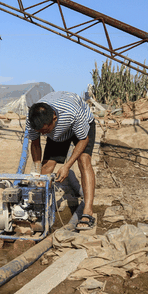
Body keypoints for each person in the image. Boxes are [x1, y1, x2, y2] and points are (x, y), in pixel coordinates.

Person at [26, 91, 96, 230]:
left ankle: (88, 211)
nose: (43, 134)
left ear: (54, 118)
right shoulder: (33, 119)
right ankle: (39, 211)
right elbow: (35, 143)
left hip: (82, 128)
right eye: (41, 132)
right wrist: (37, 171)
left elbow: (83, 139)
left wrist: (67, 166)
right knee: (45, 168)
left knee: (84, 161)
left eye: (45, 131)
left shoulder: (71, 112)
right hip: (58, 134)